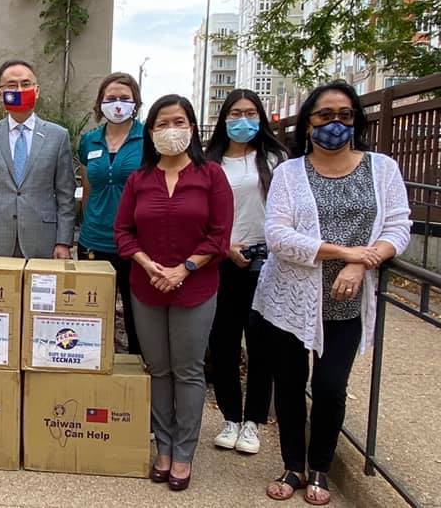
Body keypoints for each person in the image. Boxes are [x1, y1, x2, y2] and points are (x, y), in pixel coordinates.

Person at [254, 81, 410, 505]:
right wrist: (342, 252)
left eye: (344, 114)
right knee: (288, 384)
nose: (335, 123)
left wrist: (362, 262)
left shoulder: (382, 168)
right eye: (324, 115)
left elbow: (399, 225)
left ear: (356, 119)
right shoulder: (289, 172)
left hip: (346, 300)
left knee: (329, 385)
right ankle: (293, 466)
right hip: (289, 298)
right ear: (308, 124)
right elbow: (278, 235)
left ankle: (321, 466)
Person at [114, 95, 233, 491]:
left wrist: (184, 268)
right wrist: (148, 265)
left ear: (193, 127)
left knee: (188, 371)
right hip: (145, 287)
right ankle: (162, 448)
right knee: (158, 370)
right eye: (162, 123)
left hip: (195, 288)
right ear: (150, 132)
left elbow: (220, 236)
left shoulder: (211, 175)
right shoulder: (138, 179)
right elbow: (123, 232)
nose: (170, 130)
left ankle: (184, 453)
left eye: (178, 121)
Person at [204, 89, 287, 455]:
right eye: (235, 113)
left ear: (261, 117)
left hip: (265, 262)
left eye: (251, 112)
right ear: (224, 118)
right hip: (220, 260)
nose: (243, 120)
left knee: (261, 344)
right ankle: (230, 418)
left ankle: (253, 420)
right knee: (222, 342)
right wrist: (224, 247)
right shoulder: (210, 161)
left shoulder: (276, 158)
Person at [0, 60, 75, 258]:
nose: (19, 89)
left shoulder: (58, 136)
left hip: (43, 240)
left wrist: (64, 241)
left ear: (37, 90)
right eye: (11, 85)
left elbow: (65, 194)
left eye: (25, 84)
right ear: (0, 94)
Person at [77, 72, 144, 356]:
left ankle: (136, 387)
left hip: (136, 245)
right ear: (100, 104)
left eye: (124, 99)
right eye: (111, 99)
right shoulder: (89, 141)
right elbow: (88, 189)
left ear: (135, 103)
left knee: (136, 322)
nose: (118, 105)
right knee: (92, 323)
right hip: (94, 241)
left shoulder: (148, 139)